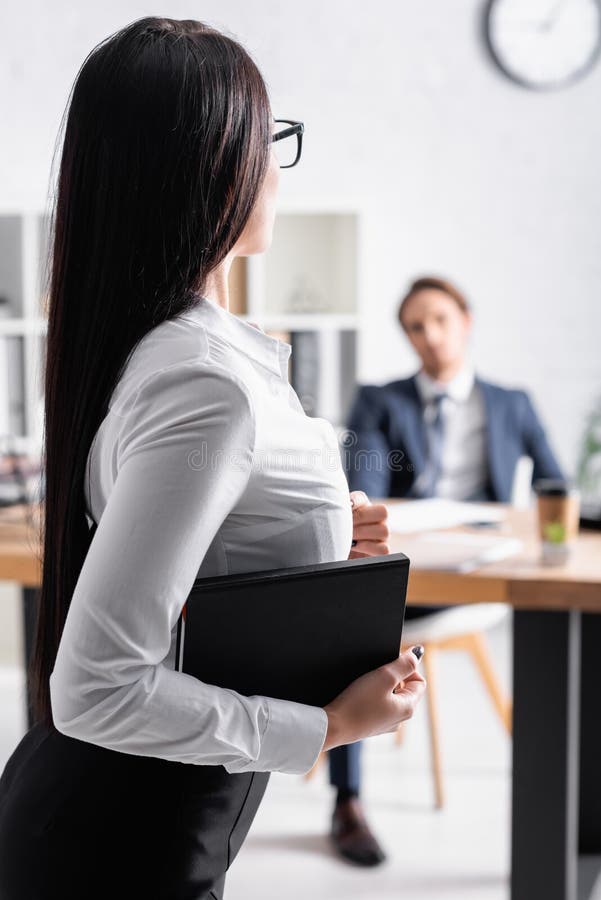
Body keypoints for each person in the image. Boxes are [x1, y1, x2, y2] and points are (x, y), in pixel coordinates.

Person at [0, 17, 427, 900]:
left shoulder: (163, 353)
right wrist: (326, 729)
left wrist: (312, 535)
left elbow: (187, 552)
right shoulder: (205, 382)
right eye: (267, 137)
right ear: (211, 163)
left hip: (116, 813)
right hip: (122, 835)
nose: (277, 165)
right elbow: (96, 687)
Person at [328, 274, 564, 866]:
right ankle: (348, 801)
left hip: (474, 575)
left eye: (440, 319)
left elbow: (555, 489)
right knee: (356, 619)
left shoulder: (512, 404)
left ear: (466, 319)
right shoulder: (380, 401)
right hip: (403, 576)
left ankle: (558, 806)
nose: (429, 335)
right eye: (415, 325)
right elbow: (368, 491)